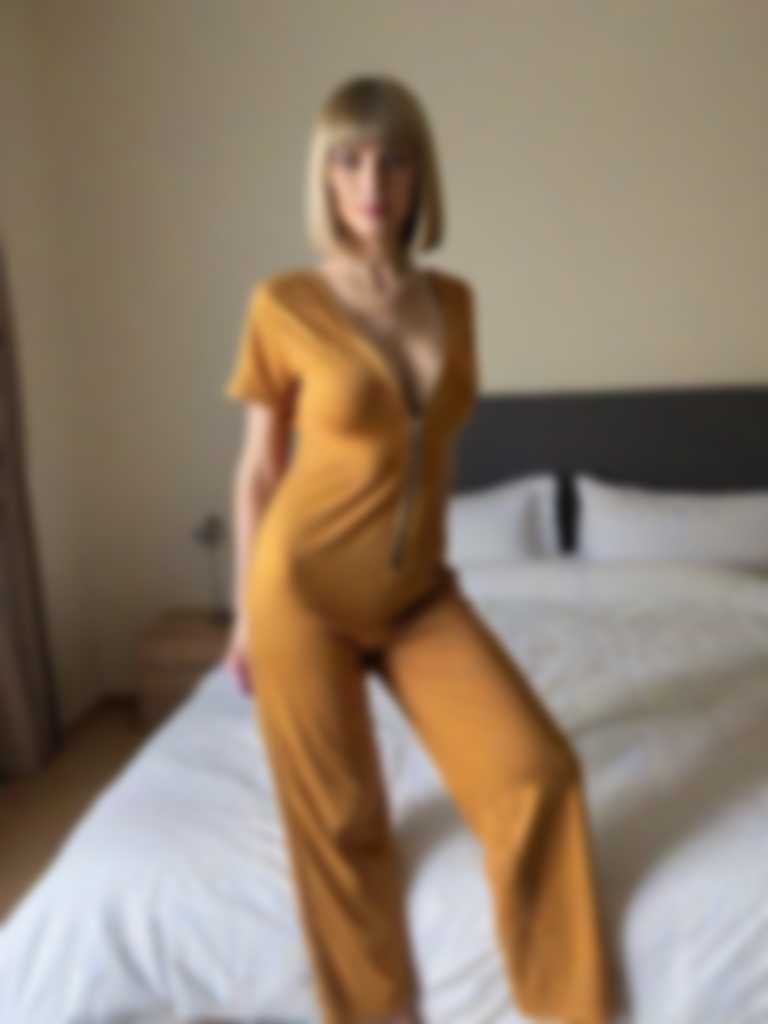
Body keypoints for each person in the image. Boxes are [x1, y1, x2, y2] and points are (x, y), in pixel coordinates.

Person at [222, 74, 618, 1024]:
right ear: (325, 176)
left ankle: (566, 1010)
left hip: (418, 597)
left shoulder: (455, 301)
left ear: (419, 177)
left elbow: (427, 444)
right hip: (301, 595)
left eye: (393, 160)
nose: (373, 183)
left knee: (537, 774)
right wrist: (241, 618)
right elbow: (258, 472)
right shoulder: (284, 304)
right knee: (342, 819)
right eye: (350, 160)